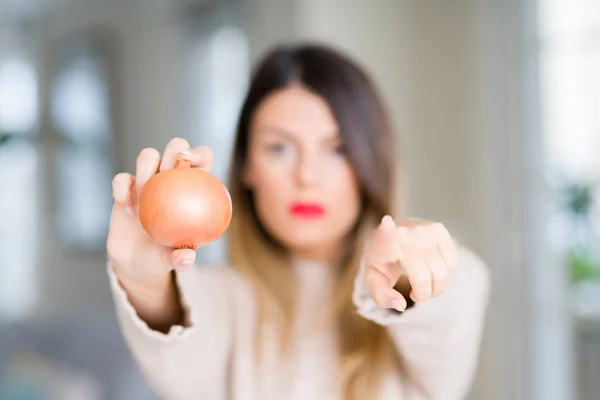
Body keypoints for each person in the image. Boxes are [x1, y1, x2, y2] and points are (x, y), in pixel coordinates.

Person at [106, 44, 490, 400]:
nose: (307, 176)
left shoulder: (458, 283)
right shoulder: (222, 301)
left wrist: (408, 271)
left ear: (372, 163)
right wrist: (144, 280)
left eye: (338, 149)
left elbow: (447, 319)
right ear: (246, 169)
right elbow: (181, 366)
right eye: (280, 148)